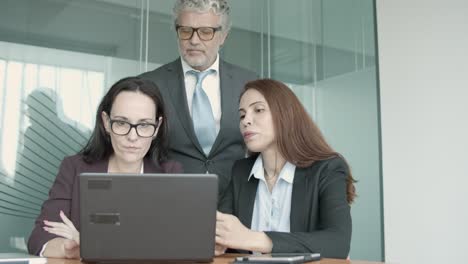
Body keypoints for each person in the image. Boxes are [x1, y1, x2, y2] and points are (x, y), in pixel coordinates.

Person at [27, 77, 182, 258]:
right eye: (122, 123)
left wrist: (92, 243)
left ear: (157, 128)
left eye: (144, 125)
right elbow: (40, 237)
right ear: (106, 122)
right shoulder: (74, 168)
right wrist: (68, 248)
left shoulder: (170, 174)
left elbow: (177, 242)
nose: (133, 137)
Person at [216, 79, 356, 259]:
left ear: (285, 115)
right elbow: (221, 230)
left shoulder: (328, 168)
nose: (246, 121)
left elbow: (338, 243)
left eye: (258, 110)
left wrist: (256, 239)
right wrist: (216, 242)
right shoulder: (241, 171)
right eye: (242, 115)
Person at [140, 0, 257, 199]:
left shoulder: (249, 82)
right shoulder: (150, 84)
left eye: (205, 31)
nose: (194, 40)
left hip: (237, 202)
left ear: (223, 36)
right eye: (186, 31)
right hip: (169, 201)